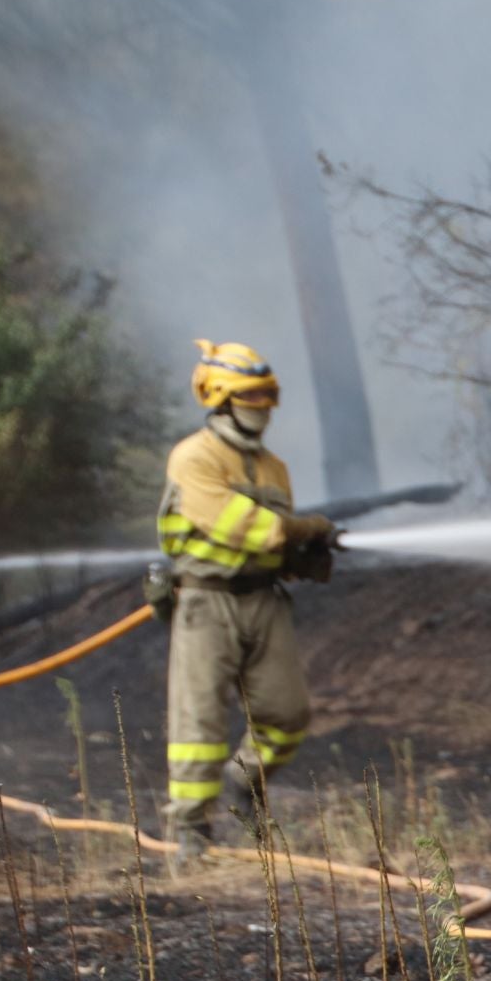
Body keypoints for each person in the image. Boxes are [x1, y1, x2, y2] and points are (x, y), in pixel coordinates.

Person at [156, 340, 337, 865]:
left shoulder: (274, 467)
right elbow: (240, 525)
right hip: (206, 603)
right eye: (250, 395)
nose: (261, 405)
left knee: (288, 713)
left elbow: (275, 542)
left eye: (266, 394)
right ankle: (190, 836)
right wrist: (296, 530)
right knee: (199, 725)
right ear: (220, 397)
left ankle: (244, 780)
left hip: (264, 601)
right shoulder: (194, 457)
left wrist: (304, 554)